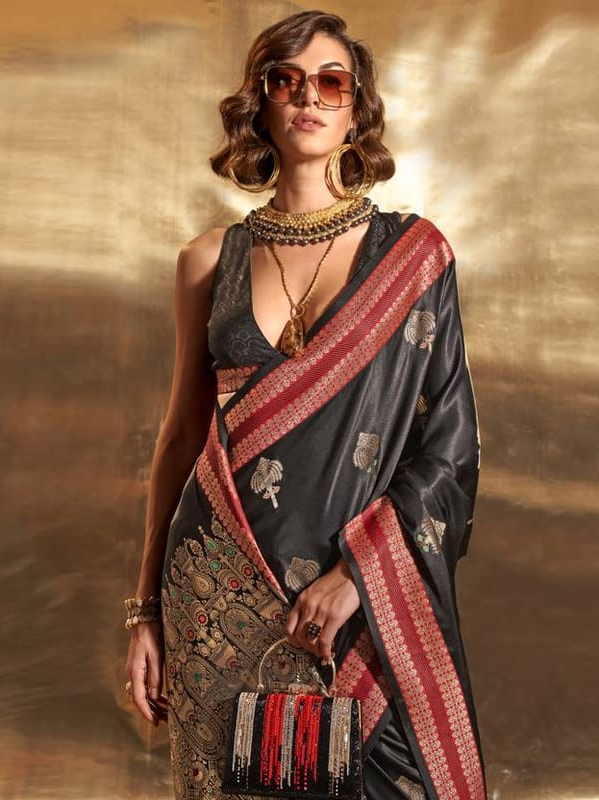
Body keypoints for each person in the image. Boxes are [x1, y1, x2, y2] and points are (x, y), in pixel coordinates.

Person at [125, 10, 487, 800]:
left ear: (358, 110)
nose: (310, 98)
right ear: (260, 105)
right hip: (215, 591)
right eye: (286, 81)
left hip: (351, 601)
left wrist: (360, 573)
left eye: (332, 83)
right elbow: (181, 435)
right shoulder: (208, 259)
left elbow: (449, 446)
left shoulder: (414, 255)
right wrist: (145, 610)